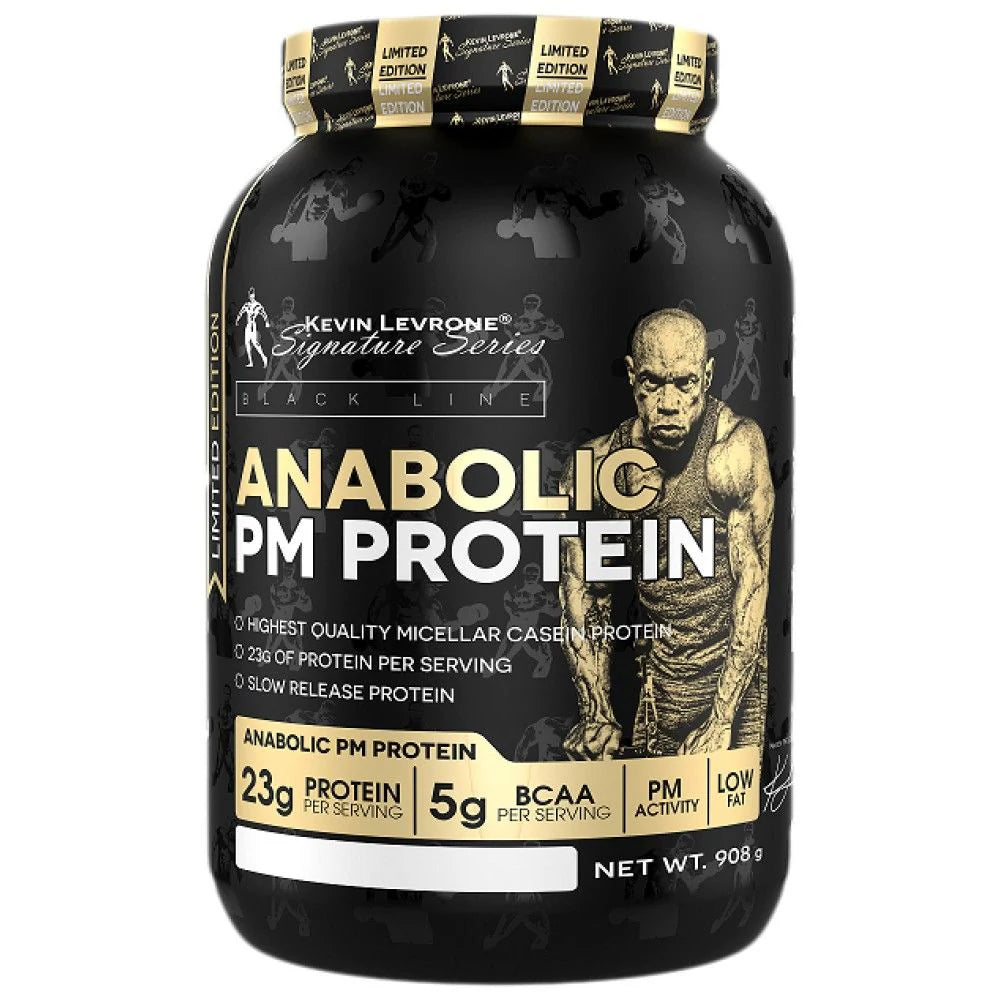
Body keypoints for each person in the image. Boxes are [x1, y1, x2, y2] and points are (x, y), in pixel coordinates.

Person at [559, 308, 773, 759]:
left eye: (685, 383)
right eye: (653, 383)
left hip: (734, 687)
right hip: (658, 688)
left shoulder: (732, 451)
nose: (669, 403)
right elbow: (584, 592)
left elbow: (753, 591)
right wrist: (596, 712)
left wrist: (722, 719)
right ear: (632, 376)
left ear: (707, 376)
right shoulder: (597, 465)